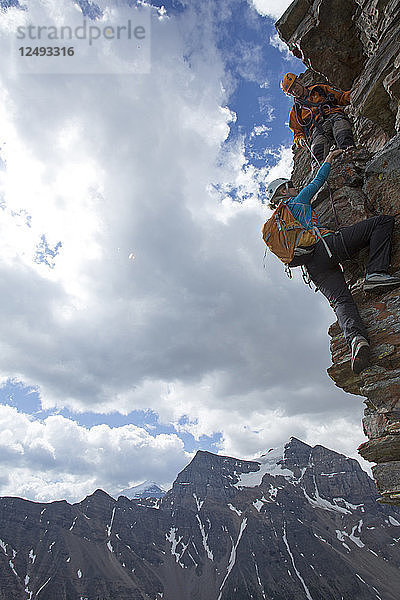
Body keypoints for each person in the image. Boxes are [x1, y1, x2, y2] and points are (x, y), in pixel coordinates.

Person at [266, 149, 400, 374]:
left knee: (340, 301)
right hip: (327, 247)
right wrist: (328, 159)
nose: (295, 186)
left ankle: (356, 339)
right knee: (382, 223)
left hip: (312, 267)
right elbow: (319, 180)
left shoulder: (278, 221)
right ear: (284, 191)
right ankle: (375, 273)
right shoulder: (297, 202)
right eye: (290, 185)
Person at [281, 72, 355, 162]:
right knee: (318, 154)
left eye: (294, 86)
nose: (294, 91)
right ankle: (323, 173)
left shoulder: (319, 89)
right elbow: (297, 132)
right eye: (290, 91)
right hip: (317, 129)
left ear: (299, 81)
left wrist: (354, 94)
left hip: (334, 116)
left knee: (343, 135)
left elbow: (341, 97)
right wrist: (300, 140)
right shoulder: (296, 111)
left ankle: (352, 158)